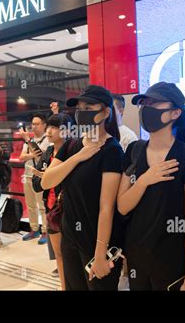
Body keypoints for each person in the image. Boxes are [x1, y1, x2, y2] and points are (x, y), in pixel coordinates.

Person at [117, 82, 185, 290]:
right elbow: (122, 206)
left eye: (154, 103)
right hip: (137, 259)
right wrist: (146, 179)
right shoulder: (134, 151)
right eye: (144, 103)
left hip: (172, 264)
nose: (147, 108)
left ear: (175, 112)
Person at [41, 85, 124, 290]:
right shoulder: (71, 146)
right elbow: (47, 181)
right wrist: (79, 156)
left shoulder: (112, 150)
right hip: (70, 237)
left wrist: (100, 254)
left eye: (89, 108)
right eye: (79, 109)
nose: (82, 113)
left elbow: (107, 207)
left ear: (105, 112)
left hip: (97, 242)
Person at [32, 113, 74, 290]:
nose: (49, 131)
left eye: (54, 127)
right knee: (58, 254)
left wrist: (49, 175)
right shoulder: (49, 151)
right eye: (48, 126)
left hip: (70, 210)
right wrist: (47, 177)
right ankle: (64, 286)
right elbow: (36, 184)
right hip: (51, 209)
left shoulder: (73, 150)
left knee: (71, 253)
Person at [19, 113, 50, 244]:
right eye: (33, 124)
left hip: (39, 176)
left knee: (42, 205)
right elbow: (22, 157)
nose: (34, 126)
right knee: (31, 205)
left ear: (44, 125)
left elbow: (40, 156)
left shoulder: (47, 140)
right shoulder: (29, 141)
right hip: (27, 175)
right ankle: (34, 228)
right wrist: (31, 153)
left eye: (37, 124)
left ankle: (45, 231)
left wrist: (29, 144)